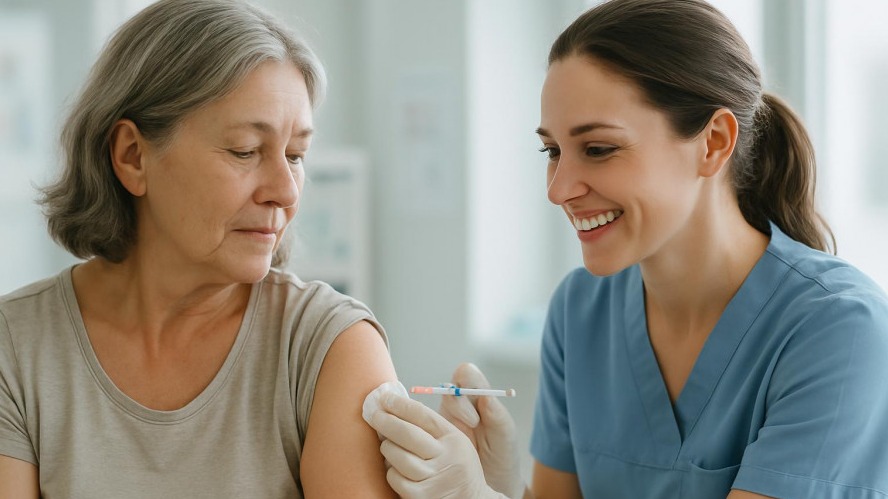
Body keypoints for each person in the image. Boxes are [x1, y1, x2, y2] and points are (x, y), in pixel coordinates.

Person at [364, 0, 888, 497]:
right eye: (552, 151)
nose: (558, 189)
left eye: (598, 149)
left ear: (713, 143)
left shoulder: (838, 329)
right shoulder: (580, 311)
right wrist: (500, 481)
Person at [0, 0, 399, 497]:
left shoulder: (330, 347)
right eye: (245, 151)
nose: (287, 190)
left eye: (296, 155)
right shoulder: (15, 348)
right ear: (132, 156)